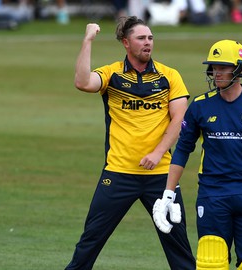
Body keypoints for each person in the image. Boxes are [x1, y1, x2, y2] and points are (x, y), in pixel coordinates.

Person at [65, 16, 195, 270]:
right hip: (118, 173)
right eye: (141, 38)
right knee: (90, 241)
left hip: (161, 176)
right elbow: (82, 82)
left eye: (150, 38)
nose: (148, 43)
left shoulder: (169, 76)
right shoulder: (112, 73)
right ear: (126, 42)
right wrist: (88, 40)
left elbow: (180, 119)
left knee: (178, 246)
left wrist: (158, 153)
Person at [153, 40, 242, 269]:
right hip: (212, 195)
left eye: (222, 67)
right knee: (210, 263)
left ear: (239, 69)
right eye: (213, 67)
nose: (216, 73)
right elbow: (182, 151)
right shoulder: (200, 106)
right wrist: (168, 194)